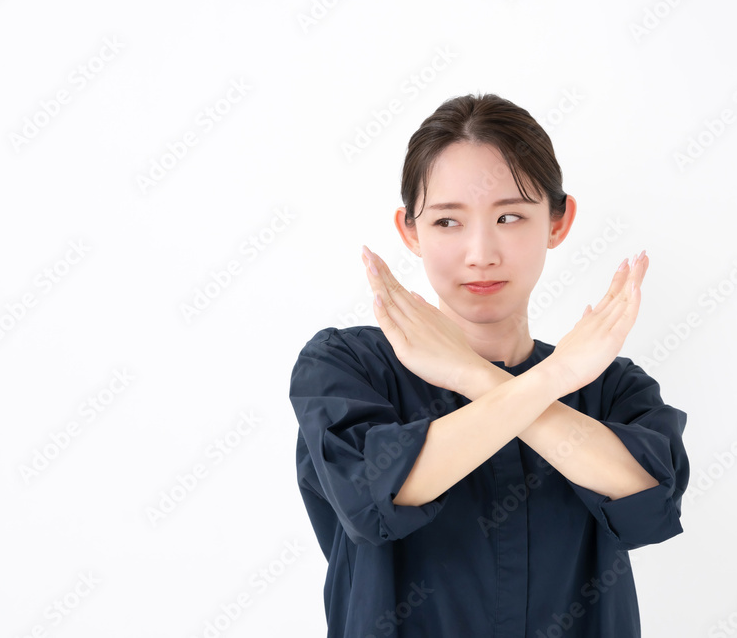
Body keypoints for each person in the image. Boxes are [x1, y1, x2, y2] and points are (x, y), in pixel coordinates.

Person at [290, 92, 690, 638]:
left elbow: (649, 502)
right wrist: (551, 379)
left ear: (558, 222)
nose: (481, 253)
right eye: (447, 222)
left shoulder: (609, 385)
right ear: (410, 231)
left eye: (509, 216)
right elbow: (375, 499)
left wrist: (477, 377)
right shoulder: (347, 367)